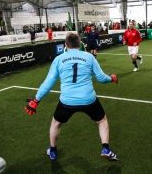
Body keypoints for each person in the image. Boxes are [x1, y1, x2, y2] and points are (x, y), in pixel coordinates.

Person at [24, 32, 119, 161]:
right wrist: (111, 78)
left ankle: (52, 151)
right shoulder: (89, 57)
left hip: (67, 101)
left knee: (56, 124)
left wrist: (36, 100)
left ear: (65, 45)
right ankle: (106, 148)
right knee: (102, 121)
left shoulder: (59, 59)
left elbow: (48, 83)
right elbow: (101, 78)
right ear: (79, 44)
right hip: (89, 99)